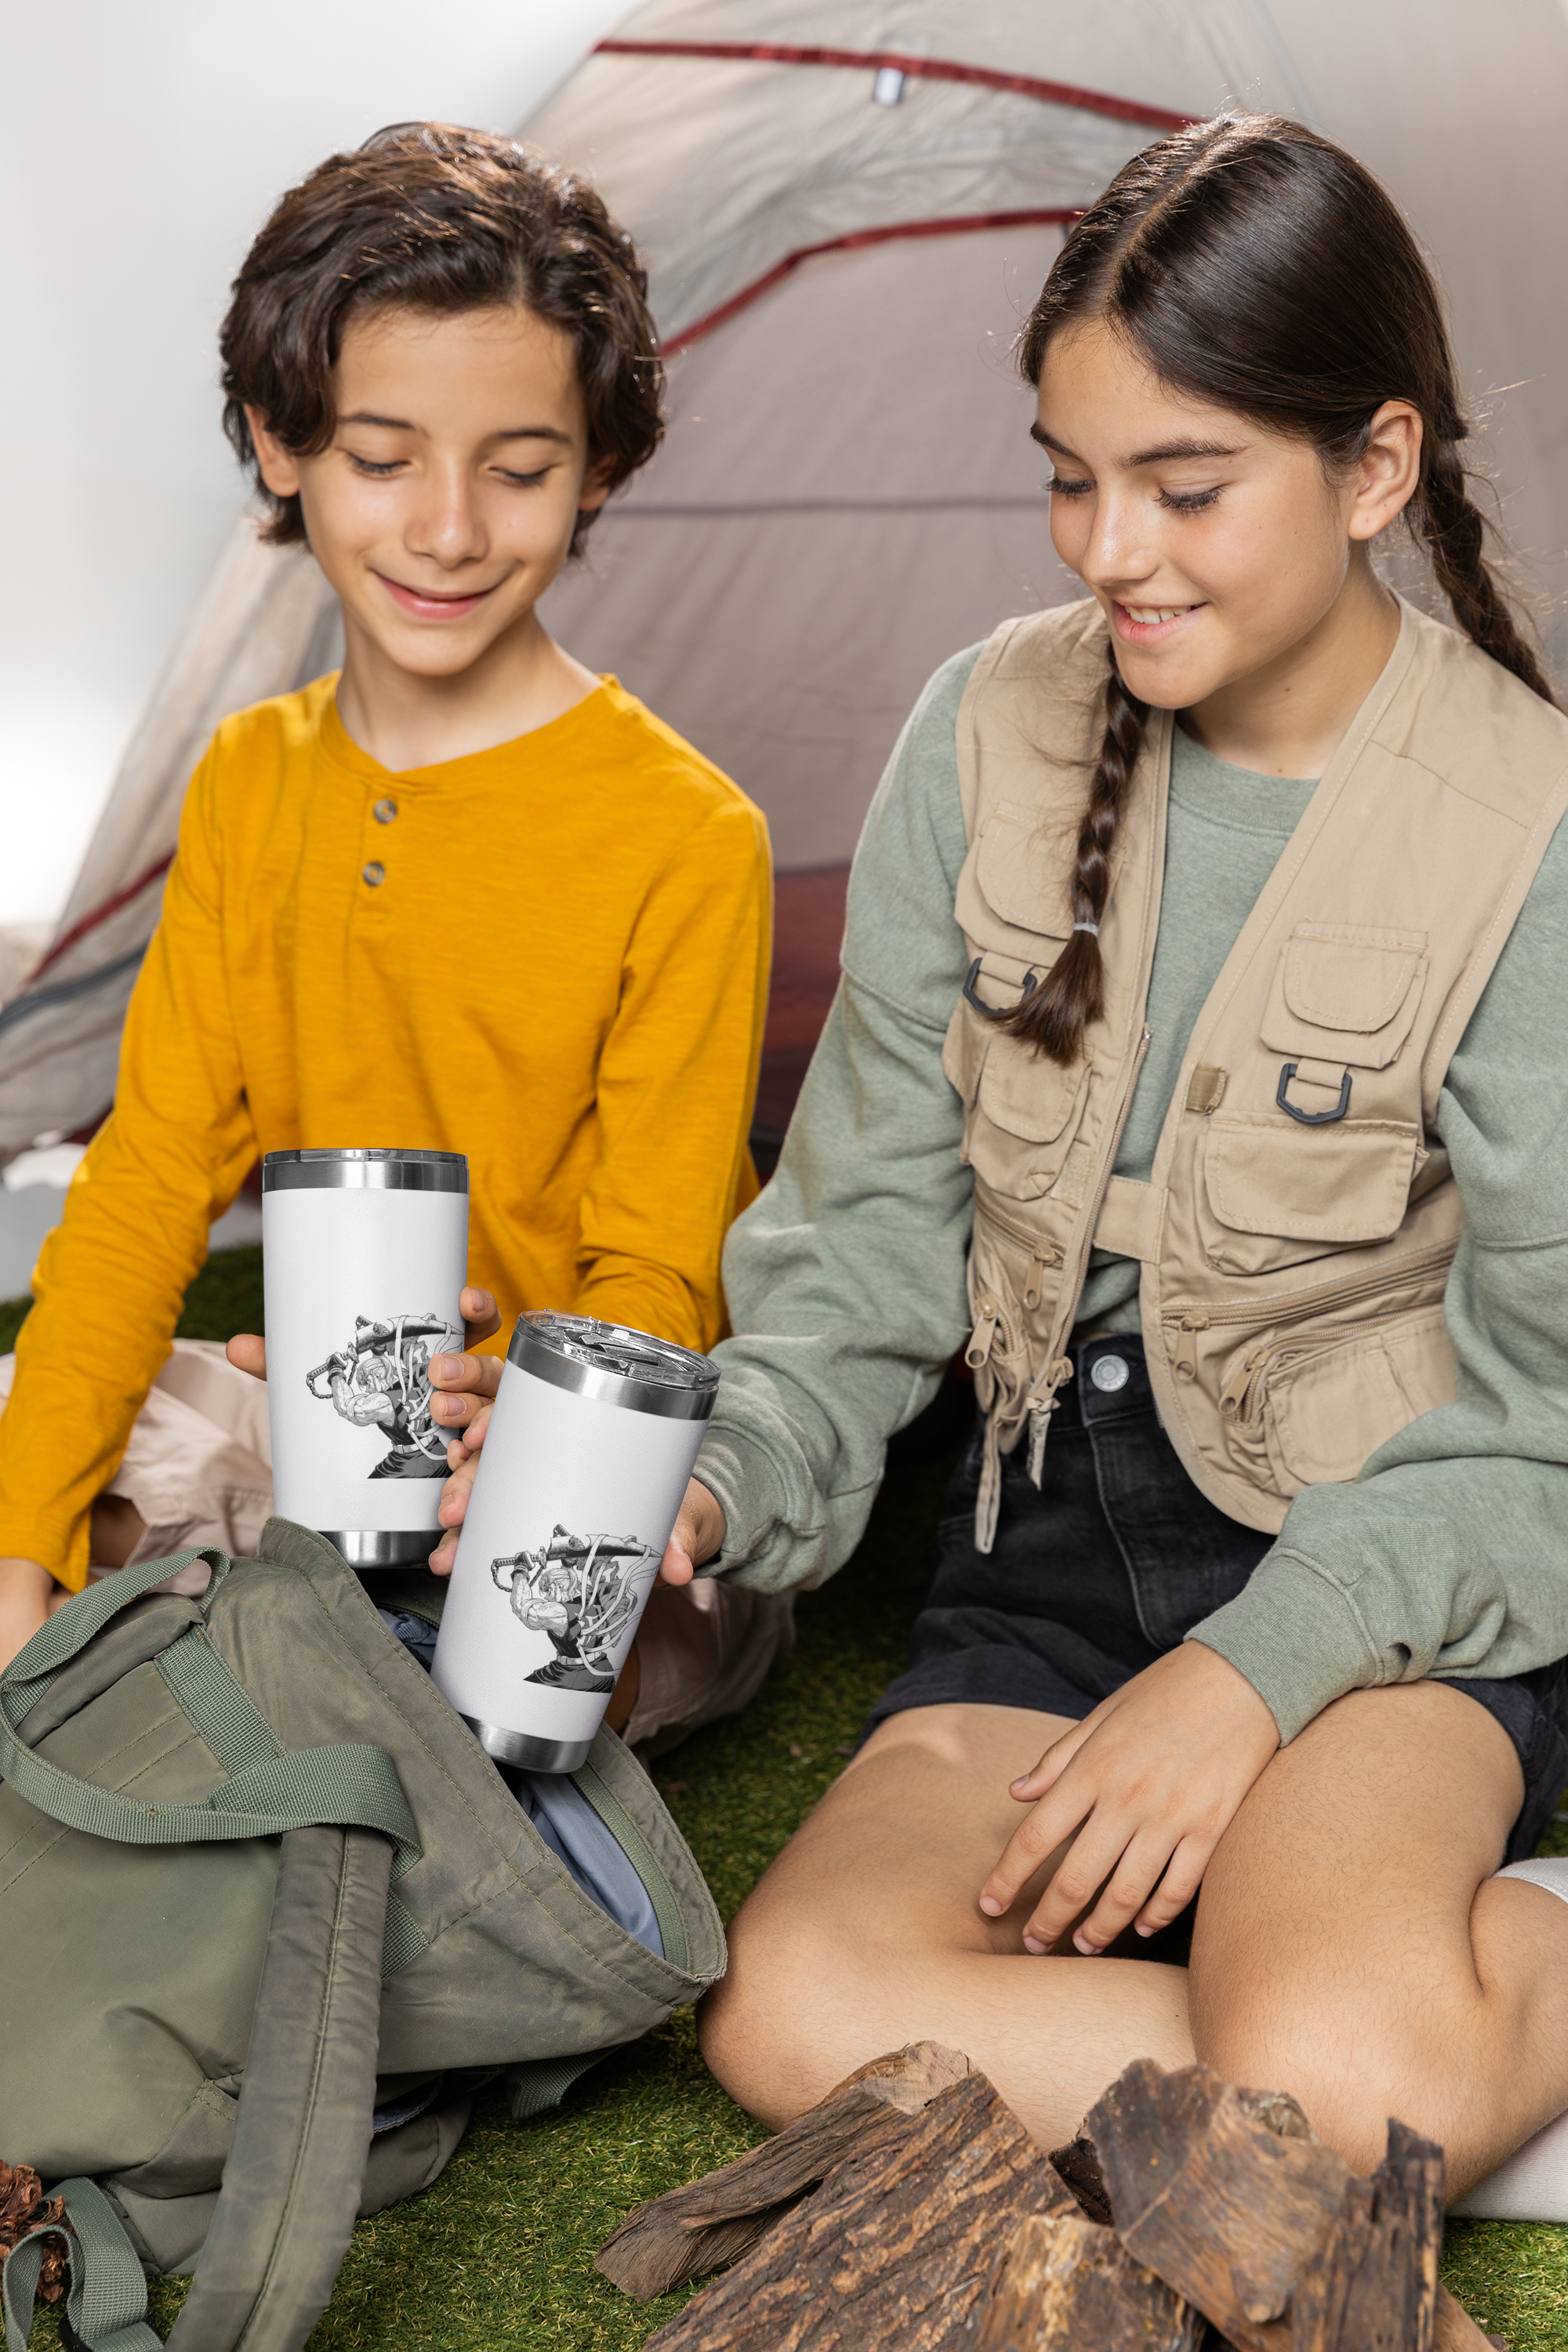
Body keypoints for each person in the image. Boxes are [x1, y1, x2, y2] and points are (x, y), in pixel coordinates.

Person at [442, 111, 1568, 2201]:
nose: (1107, 549)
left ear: (1376, 468)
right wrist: (713, 1477)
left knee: (1323, 2080)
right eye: (1070, 477)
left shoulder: (1534, 824)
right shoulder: (982, 732)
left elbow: (1545, 1426)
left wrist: (1247, 1680)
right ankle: (1386, 2071)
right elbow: (862, 1250)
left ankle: (1421, 2020)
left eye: (1184, 487)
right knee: (795, 2011)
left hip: (1379, 1578)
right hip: (1042, 1567)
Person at [0, 124, 790, 1751]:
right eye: (381, 456)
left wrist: (528, 1434)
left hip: (576, 1461)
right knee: (34, 1441)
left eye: (519, 469)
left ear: (597, 468)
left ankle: (330, 1657)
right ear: (278, 444)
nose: (448, 529)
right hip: (321, 1428)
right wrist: (16, 1555)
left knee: (516, 1665)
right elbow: (147, 1184)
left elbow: (655, 1278)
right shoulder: (250, 779)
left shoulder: (688, 834)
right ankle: (269, 1621)